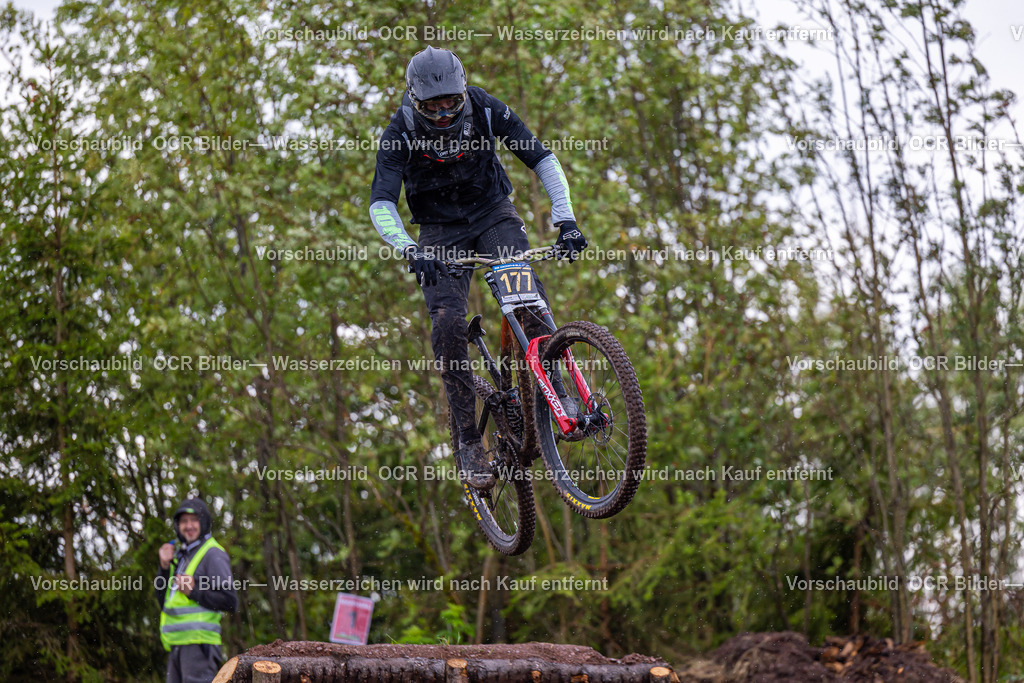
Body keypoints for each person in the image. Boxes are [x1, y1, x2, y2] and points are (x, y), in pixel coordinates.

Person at [369, 46, 587, 490]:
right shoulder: (400, 131)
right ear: (416, 102)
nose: (445, 113)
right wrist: (408, 248)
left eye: (451, 102)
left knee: (526, 296)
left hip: (492, 214)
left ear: (463, 93)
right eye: (434, 106)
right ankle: (469, 441)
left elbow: (542, 159)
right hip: (437, 231)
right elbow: (381, 202)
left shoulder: (485, 107)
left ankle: (556, 386)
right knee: (448, 324)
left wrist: (566, 219)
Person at [156, 498, 238, 683]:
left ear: (204, 523)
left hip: (199, 645)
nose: (189, 526)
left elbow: (230, 601)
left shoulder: (213, 554)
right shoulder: (181, 555)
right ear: (178, 526)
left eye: (194, 520)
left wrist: (194, 592)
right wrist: (163, 567)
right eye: (184, 521)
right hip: (177, 645)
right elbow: (164, 602)